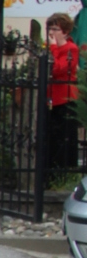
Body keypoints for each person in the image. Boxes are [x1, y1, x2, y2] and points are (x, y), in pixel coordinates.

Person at [47, 12, 81, 173]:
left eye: (55, 29)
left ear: (65, 32)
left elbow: (57, 69)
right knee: (53, 138)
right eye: (50, 28)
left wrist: (54, 47)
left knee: (65, 137)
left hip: (65, 98)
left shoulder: (70, 48)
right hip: (52, 98)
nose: (51, 32)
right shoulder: (51, 48)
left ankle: (65, 170)